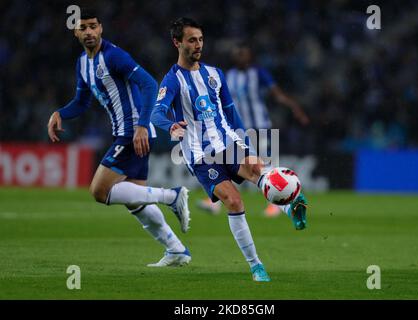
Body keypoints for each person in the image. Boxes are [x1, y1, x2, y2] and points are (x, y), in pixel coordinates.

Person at [150, 17, 308, 282]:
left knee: (259, 171)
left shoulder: (215, 74)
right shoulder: (172, 80)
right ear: (177, 43)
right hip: (200, 155)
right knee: (234, 201)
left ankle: (292, 208)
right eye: (191, 40)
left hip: (228, 143)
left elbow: (232, 113)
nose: (198, 44)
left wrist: (246, 146)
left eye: (200, 39)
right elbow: (156, 114)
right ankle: (256, 265)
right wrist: (170, 126)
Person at [46, 10, 191, 267]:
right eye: (83, 28)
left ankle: (172, 196)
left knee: (99, 191)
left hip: (133, 131)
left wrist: (142, 126)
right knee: (135, 201)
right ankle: (176, 249)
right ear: (76, 32)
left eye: (93, 26)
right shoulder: (83, 63)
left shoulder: (114, 56)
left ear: (101, 28)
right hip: (126, 132)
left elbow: (149, 84)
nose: (89, 32)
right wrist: (60, 113)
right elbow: (81, 102)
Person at [197, 43, 309, 217]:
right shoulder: (229, 75)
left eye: (243, 53)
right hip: (236, 130)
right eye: (237, 53)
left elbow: (276, 94)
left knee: (265, 164)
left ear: (249, 56)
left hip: (259, 126)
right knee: (226, 164)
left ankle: (278, 203)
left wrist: (295, 107)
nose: (240, 56)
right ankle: (217, 203)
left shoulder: (258, 73)